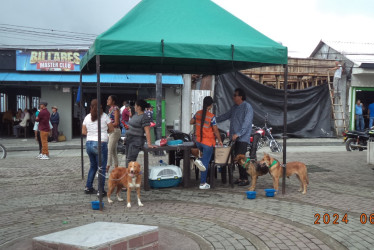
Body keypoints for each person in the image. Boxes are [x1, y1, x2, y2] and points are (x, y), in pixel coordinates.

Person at [216, 88, 254, 186]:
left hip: (242, 138)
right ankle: (241, 177)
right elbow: (225, 116)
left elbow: (247, 123)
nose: (233, 97)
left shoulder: (247, 107)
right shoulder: (234, 108)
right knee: (237, 159)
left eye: (235, 95)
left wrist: (239, 133)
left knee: (240, 158)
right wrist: (213, 119)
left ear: (240, 97)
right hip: (234, 138)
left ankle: (245, 179)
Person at [82, 99, 114, 196]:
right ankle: (100, 190)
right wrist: (104, 132)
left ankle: (88, 187)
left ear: (91, 107)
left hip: (89, 144)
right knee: (102, 168)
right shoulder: (105, 116)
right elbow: (112, 128)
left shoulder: (87, 117)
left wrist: (92, 134)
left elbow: (83, 132)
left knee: (93, 166)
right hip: (101, 143)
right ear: (101, 107)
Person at [190, 96, 223, 189]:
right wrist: (220, 141)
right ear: (210, 105)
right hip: (208, 143)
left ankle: (200, 161)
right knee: (205, 162)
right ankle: (203, 183)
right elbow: (216, 131)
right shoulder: (211, 117)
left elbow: (191, 122)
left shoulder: (198, 114)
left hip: (199, 142)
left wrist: (198, 121)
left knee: (205, 159)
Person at [125, 99, 156, 166]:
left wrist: (149, 144)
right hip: (129, 139)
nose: (134, 107)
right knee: (127, 158)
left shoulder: (144, 117)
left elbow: (147, 131)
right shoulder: (135, 115)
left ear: (139, 107)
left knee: (130, 160)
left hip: (136, 141)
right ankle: (127, 175)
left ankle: (129, 175)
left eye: (135, 105)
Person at [106, 95, 121, 177]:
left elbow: (116, 122)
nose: (107, 100)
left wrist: (107, 126)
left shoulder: (116, 109)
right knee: (114, 151)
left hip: (115, 131)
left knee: (109, 149)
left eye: (109, 99)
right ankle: (116, 169)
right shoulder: (110, 109)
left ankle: (106, 169)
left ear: (113, 101)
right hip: (111, 131)